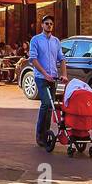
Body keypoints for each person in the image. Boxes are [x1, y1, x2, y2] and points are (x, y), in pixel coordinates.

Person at [28, 14, 65, 147]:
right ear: (42, 25)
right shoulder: (36, 40)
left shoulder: (56, 41)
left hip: (53, 77)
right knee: (46, 103)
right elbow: (33, 58)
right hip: (40, 77)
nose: (49, 25)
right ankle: (40, 134)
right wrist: (44, 74)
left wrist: (64, 74)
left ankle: (46, 133)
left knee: (51, 106)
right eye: (46, 23)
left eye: (51, 24)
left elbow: (62, 59)